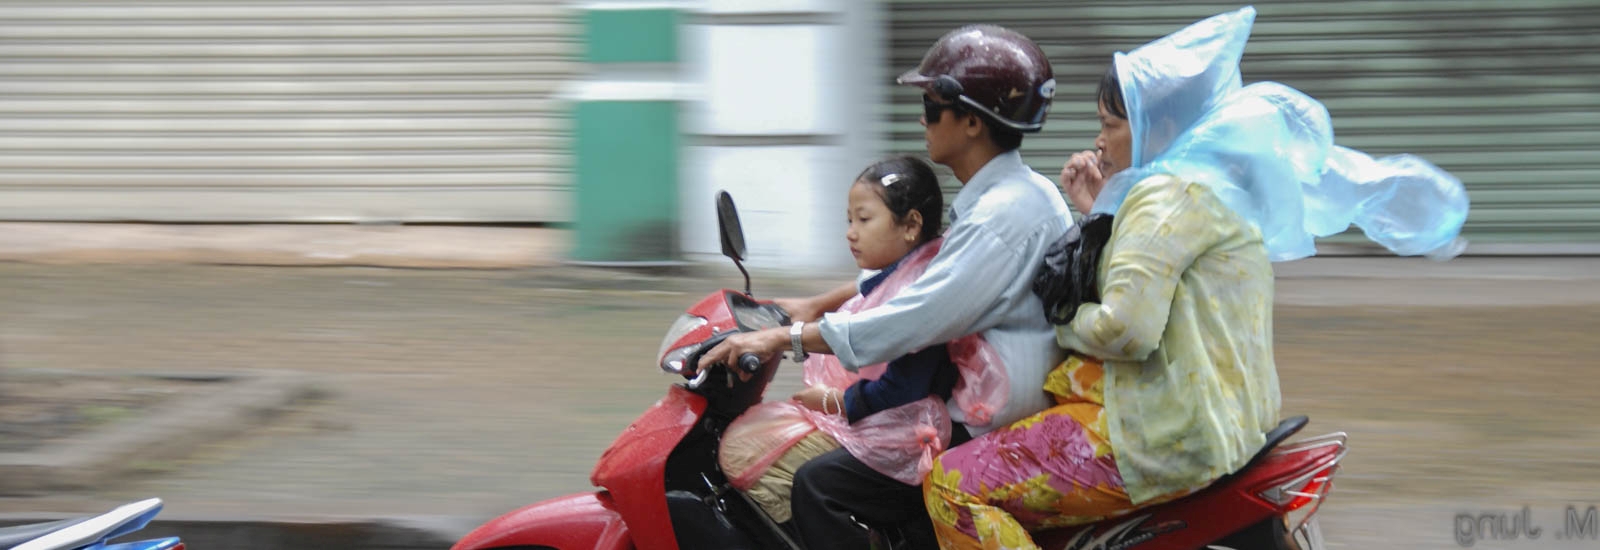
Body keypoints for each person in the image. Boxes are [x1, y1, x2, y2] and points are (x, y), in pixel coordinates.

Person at [923, 7, 1470, 549]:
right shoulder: (1212, 190)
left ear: (1159, 128)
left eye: (1111, 125)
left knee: (950, 486)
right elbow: (1157, 276)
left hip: (1157, 434)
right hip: (1225, 424)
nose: (1099, 141)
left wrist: (1061, 320)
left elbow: (1125, 330)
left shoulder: (1164, 198)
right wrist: (1098, 211)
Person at [700, 24, 1072, 550]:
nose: (922, 119)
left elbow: (912, 317)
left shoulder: (1000, 217)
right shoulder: (1016, 197)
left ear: (971, 122)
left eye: (932, 107)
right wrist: (816, 304)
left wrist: (781, 339)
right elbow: (923, 274)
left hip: (983, 424)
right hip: (980, 405)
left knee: (818, 486)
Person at [717, 155, 967, 524]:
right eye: (850, 220)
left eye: (864, 220)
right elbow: (868, 285)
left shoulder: (918, 295)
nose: (851, 232)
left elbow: (901, 389)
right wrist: (814, 305)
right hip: (894, 420)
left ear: (911, 225)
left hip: (906, 432)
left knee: (804, 479)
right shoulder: (917, 263)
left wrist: (835, 401)